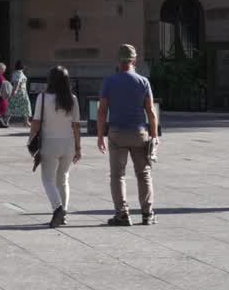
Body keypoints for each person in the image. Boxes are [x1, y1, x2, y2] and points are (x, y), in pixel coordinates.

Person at [97, 44, 159, 226]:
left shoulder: (109, 81)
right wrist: (154, 135)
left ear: (119, 60)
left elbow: (102, 111)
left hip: (117, 133)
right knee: (144, 174)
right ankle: (147, 214)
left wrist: (101, 135)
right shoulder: (143, 82)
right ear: (134, 60)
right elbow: (151, 111)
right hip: (140, 132)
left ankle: (122, 213)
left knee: (117, 175)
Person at [30, 66, 82, 228]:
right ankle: (63, 213)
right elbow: (76, 126)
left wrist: (31, 139)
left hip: (50, 143)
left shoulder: (43, 98)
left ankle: (58, 209)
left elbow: (36, 122)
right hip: (68, 143)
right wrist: (78, 147)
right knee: (63, 179)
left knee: (47, 179)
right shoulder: (72, 98)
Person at [9, 61, 32, 128]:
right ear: (23, 66)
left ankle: (6, 120)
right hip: (21, 92)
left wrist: (14, 90)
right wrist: (15, 90)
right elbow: (17, 82)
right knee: (26, 106)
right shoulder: (20, 73)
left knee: (12, 106)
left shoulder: (14, 73)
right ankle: (26, 122)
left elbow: (14, 81)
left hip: (17, 91)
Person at [0, 63, 12, 128]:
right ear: (0, 69)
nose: (4, 71)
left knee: (4, 110)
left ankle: (3, 122)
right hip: (0, 96)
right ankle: (3, 122)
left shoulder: (0, 75)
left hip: (2, 96)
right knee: (7, 109)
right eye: (3, 69)